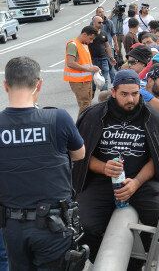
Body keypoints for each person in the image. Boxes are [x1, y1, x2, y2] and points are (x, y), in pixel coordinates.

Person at [73, 70, 159, 269]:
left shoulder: (152, 116)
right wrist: (103, 167)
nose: (131, 99)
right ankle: (101, 257)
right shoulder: (93, 115)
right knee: (83, 223)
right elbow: (80, 155)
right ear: (113, 92)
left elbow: (158, 159)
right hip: (101, 182)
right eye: (125, 94)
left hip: (141, 182)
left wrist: (136, 183)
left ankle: (138, 261)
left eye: (135, 94)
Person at [0, 57, 86, 270]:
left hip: (12, 227)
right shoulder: (58, 118)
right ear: (39, 84)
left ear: (5, 85)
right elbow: (79, 154)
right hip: (52, 226)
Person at [64, 26, 101, 115]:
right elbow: (70, 63)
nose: (91, 41)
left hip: (85, 80)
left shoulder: (84, 45)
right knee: (85, 106)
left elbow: (84, 62)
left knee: (87, 105)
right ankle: (81, 126)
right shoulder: (73, 45)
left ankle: (84, 125)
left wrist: (93, 68)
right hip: (78, 82)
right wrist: (88, 69)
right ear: (84, 34)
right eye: (90, 38)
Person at [90, 16, 116, 88]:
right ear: (93, 23)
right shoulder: (89, 34)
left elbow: (107, 46)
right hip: (93, 60)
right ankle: (91, 94)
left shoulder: (103, 33)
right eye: (99, 22)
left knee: (105, 79)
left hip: (104, 59)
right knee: (93, 80)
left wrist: (111, 57)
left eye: (102, 22)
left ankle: (104, 97)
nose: (101, 24)